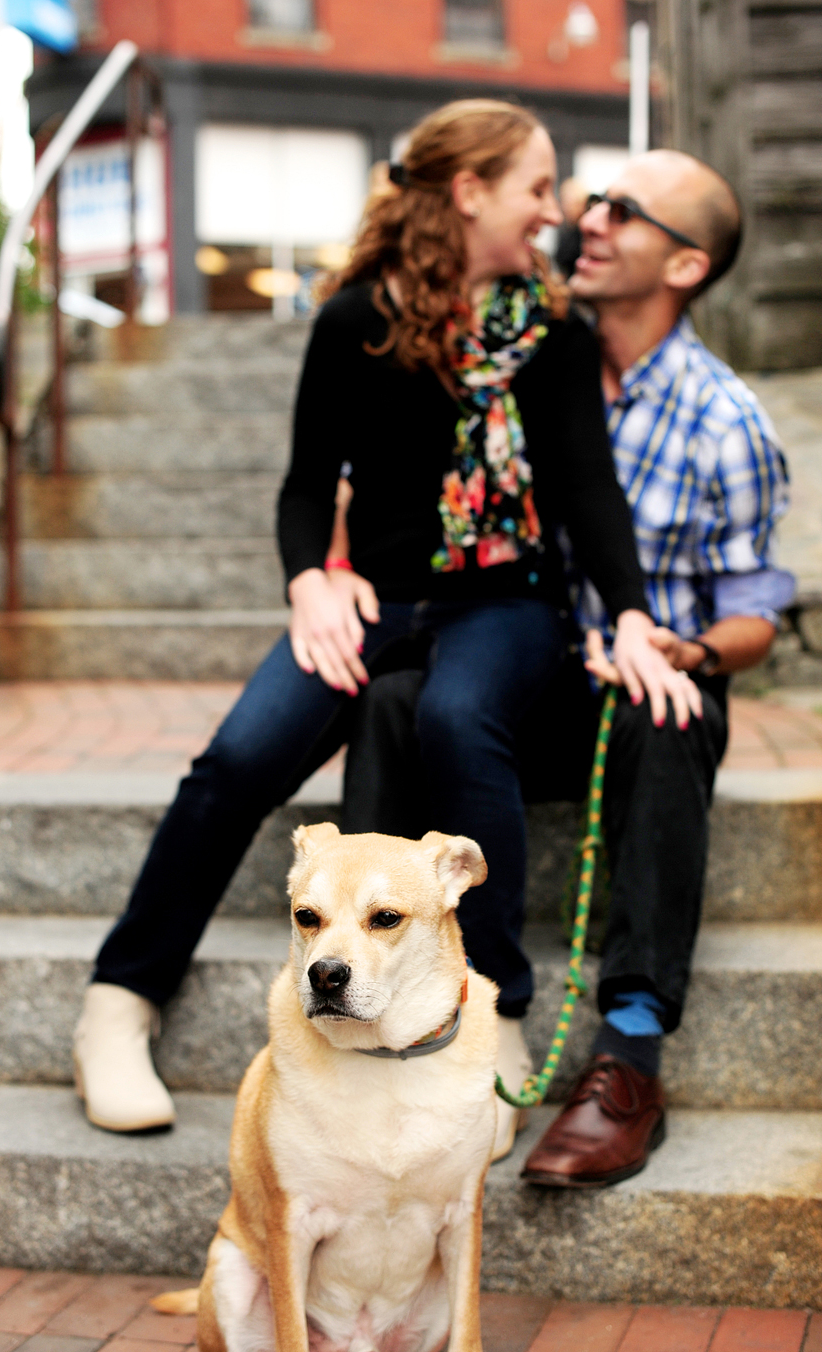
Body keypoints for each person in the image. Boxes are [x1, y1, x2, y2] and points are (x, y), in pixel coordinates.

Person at [72, 101, 693, 1153]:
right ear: (470, 191)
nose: (556, 210)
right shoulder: (353, 316)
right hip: (375, 599)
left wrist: (631, 613)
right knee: (237, 757)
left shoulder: (552, 332)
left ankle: (494, 1008)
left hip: (508, 599)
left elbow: (590, 489)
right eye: (537, 187)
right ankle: (118, 1005)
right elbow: (308, 484)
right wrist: (309, 579)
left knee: (457, 718)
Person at [338, 148, 793, 1186]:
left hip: (640, 693)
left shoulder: (727, 421)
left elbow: (757, 614)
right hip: (524, 679)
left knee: (670, 709)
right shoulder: (512, 368)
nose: (587, 218)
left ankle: (627, 1057)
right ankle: (366, 992)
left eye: (623, 211)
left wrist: (688, 647)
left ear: (685, 266)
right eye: (589, 198)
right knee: (400, 701)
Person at [554, 176, 589, 279]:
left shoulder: (584, 233)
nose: (565, 207)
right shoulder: (569, 232)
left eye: (569, 202)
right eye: (563, 202)